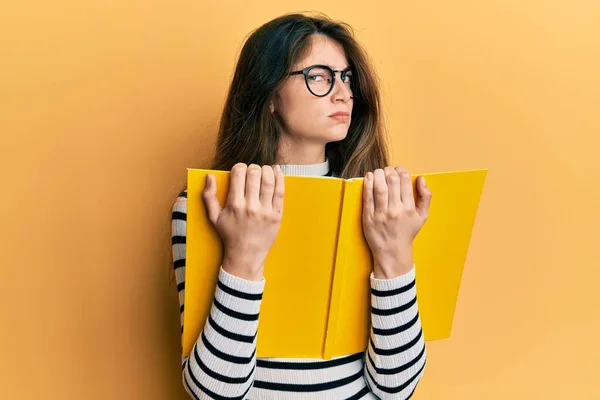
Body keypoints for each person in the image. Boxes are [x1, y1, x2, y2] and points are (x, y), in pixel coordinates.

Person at [171, 12, 432, 399]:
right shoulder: (208, 204)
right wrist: (243, 255)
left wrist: (394, 256)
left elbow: (396, 389)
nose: (342, 92)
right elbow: (213, 394)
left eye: (346, 78)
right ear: (270, 94)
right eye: (319, 77)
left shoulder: (385, 206)